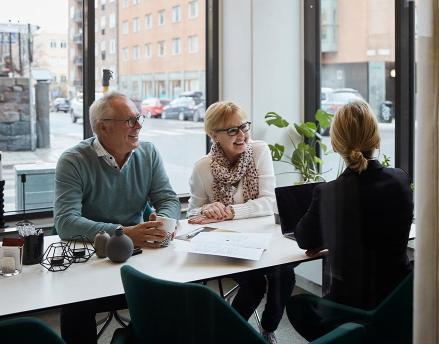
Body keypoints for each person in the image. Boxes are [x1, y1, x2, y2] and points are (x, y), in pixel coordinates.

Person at [54, 91, 180, 343]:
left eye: (138, 118)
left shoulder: (148, 153)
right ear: (103, 127)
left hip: (139, 256)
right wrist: (125, 233)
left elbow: (168, 199)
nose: (139, 126)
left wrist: (163, 223)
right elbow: (65, 222)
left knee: (180, 294)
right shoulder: (73, 160)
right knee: (75, 307)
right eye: (130, 120)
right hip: (93, 258)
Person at [286, 100, 413, 341]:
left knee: (297, 306)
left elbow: (303, 238)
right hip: (399, 301)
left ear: (335, 144)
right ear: (375, 139)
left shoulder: (329, 192)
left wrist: (331, 235)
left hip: (350, 307)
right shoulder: (400, 179)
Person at [187, 101, 295, 344]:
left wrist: (231, 211)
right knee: (255, 283)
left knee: (284, 275)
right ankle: (229, 333)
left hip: (264, 238)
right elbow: (192, 213)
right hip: (226, 243)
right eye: (232, 130)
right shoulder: (202, 168)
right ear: (214, 135)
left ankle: (267, 328)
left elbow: (271, 202)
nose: (242, 135)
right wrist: (207, 207)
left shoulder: (259, 151)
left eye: (244, 126)